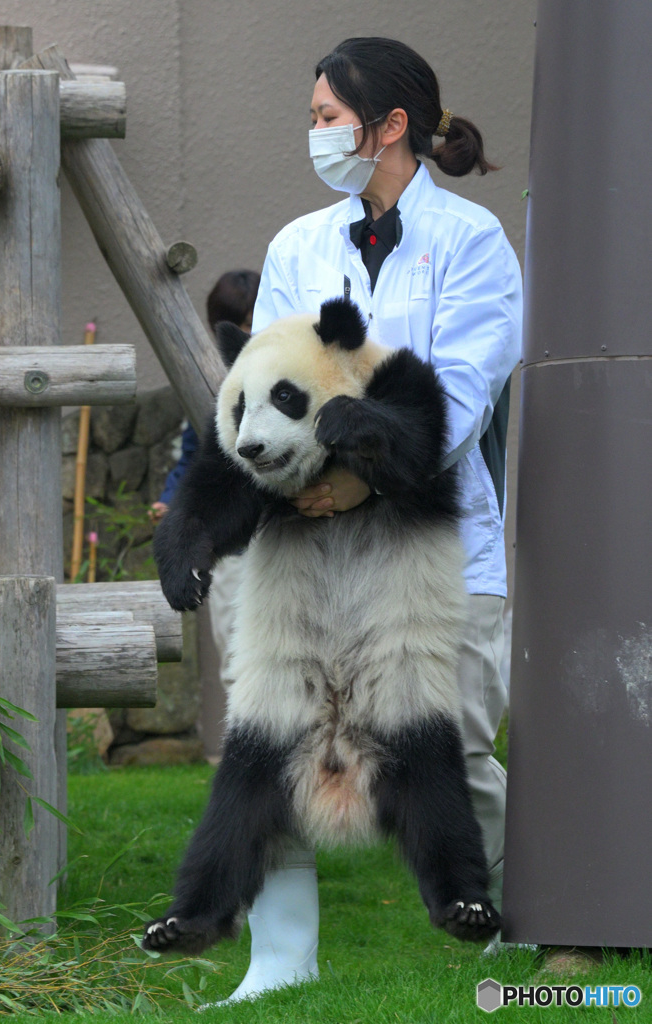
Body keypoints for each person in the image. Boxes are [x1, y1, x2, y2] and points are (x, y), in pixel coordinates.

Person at [205, 36, 522, 1005]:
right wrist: (322, 485)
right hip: (310, 551)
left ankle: (524, 929)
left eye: (326, 119)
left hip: (435, 552)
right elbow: (277, 384)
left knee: (454, 751)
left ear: (390, 128)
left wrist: (366, 480)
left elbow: (459, 397)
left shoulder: (474, 245)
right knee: (274, 745)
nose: (315, 135)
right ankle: (281, 959)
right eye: (313, 119)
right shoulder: (298, 249)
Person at [151, 269, 260, 683]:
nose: (251, 333)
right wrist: (170, 499)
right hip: (232, 535)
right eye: (242, 324)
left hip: (284, 530)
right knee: (237, 656)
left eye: (255, 320)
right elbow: (193, 457)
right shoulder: (211, 380)